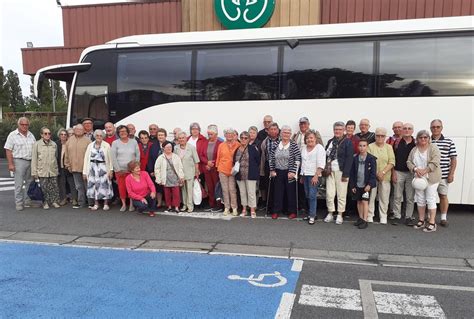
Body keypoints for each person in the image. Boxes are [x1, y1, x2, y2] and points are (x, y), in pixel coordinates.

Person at [407, 130, 442, 233]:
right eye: (420, 137)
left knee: (430, 199)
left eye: (425, 137)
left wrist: (424, 170)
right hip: (418, 178)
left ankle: (432, 222)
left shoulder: (433, 148)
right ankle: (421, 220)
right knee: (420, 199)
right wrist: (415, 169)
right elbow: (409, 161)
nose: (423, 139)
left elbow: (435, 162)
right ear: (417, 139)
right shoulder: (414, 149)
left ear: (428, 138)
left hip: (431, 178)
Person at [4, 117, 37, 211]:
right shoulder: (12, 135)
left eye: (26, 124)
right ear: (18, 125)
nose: (24, 126)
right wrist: (10, 164)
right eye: (22, 124)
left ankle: (27, 201)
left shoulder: (31, 135)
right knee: (18, 183)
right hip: (19, 161)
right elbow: (8, 150)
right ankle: (18, 203)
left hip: (30, 161)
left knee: (29, 182)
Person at [324, 121, 354, 225]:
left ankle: (340, 214)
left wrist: (346, 174)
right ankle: (330, 213)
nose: (338, 131)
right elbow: (326, 155)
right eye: (336, 129)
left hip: (341, 171)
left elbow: (350, 159)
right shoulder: (330, 141)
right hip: (330, 171)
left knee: (341, 194)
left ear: (344, 130)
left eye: (340, 129)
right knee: (329, 193)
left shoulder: (347, 142)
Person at [269, 125, 301, 219]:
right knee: (277, 192)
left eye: (288, 133)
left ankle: (292, 211)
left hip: (289, 171)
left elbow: (298, 159)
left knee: (290, 192)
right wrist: (272, 170)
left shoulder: (293, 144)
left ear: (290, 134)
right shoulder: (276, 144)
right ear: (281, 133)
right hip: (278, 171)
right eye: (284, 132)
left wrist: (293, 171)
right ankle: (276, 211)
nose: (286, 134)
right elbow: (271, 158)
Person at [430, 119, 457, 227]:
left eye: (438, 127)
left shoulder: (449, 142)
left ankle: (443, 218)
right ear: (430, 128)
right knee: (430, 196)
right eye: (433, 127)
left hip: (444, 174)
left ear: (442, 128)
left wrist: (451, 174)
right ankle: (429, 217)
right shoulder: (427, 140)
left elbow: (453, 159)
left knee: (443, 195)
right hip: (430, 174)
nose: (435, 129)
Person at [367, 127, 395, 224]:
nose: (380, 137)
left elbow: (391, 162)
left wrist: (382, 172)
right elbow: (369, 162)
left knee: (384, 197)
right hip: (372, 177)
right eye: (378, 135)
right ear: (375, 136)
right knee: (371, 197)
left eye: (382, 136)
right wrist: (376, 174)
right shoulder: (370, 146)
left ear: (385, 137)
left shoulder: (389, 147)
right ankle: (370, 215)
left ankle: (383, 216)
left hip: (385, 176)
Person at [83, 129, 114, 211]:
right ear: (95, 136)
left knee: (105, 185)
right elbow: (86, 159)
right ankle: (96, 204)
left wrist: (111, 170)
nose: (99, 137)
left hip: (103, 167)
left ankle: (106, 204)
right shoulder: (90, 145)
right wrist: (85, 172)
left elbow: (110, 159)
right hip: (92, 168)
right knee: (94, 186)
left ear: (103, 137)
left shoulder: (106, 145)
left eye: (100, 136)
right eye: (97, 135)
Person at [111, 125, 140, 212]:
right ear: (118, 133)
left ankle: (131, 204)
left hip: (132, 170)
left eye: (124, 131)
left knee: (132, 188)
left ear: (127, 132)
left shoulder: (134, 142)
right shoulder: (115, 143)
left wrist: (136, 167)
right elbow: (113, 157)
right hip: (120, 170)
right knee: (122, 187)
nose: (123, 133)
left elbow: (138, 155)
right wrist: (118, 169)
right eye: (121, 132)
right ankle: (123, 204)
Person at [392, 123, 416, 226]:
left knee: (410, 197)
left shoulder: (416, 143)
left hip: (411, 173)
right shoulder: (397, 143)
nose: (406, 130)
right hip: (398, 172)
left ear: (412, 131)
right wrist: (393, 172)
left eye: (409, 129)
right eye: (405, 128)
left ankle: (408, 217)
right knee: (397, 196)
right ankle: (397, 216)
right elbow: (392, 158)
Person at [350, 138, 377, 229]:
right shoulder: (355, 158)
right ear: (358, 147)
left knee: (365, 201)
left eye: (364, 146)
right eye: (360, 146)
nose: (362, 148)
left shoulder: (371, 158)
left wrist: (369, 184)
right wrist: (353, 185)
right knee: (359, 201)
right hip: (357, 184)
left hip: (366, 185)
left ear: (367, 147)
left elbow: (373, 173)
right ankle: (360, 218)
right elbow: (352, 173)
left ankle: (365, 220)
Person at [300, 130, 325, 224]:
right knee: (307, 195)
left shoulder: (319, 148)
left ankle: (312, 216)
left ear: (315, 139)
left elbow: (321, 163)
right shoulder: (304, 148)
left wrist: (316, 176)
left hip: (314, 175)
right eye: (307, 138)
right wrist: (302, 175)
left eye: (311, 138)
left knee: (312, 196)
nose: (309, 140)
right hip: (305, 174)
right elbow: (303, 162)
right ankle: (311, 213)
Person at [31, 127, 60, 209]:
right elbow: (34, 159)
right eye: (45, 133)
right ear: (41, 135)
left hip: (52, 170)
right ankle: (45, 202)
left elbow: (56, 157)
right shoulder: (36, 145)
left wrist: (56, 169)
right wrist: (34, 172)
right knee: (44, 188)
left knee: (54, 187)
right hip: (42, 170)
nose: (48, 135)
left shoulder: (54, 144)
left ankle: (54, 201)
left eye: (49, 133)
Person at [234, 131, 260, 218]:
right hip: (240, 175)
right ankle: (244, 209)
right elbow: (234, 161)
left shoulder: (253, 148)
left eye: (246, 138)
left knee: (251, 192)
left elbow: (258, 161)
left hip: (250, 174)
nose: (243, 140)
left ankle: (252, 210)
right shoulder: (237, 149)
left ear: (249, 139)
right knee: (242, 192)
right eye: (242, 138)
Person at [64, 124, 91, 209]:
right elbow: (66, 154)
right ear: (74, 130)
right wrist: (67, 165)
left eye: (80, 129)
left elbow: (91, 155)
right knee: (79, 186)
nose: (78, 131)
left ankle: (91, 203)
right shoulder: (69, 140)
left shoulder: (88, 141)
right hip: (74, 168)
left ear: (84, 131)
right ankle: (81, 203)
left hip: (85, 168)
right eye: (77, 129)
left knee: (88, 186)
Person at [216, 128, 240, 216]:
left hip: (233, 170)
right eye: (227, 134)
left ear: (234, 135)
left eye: (231, 134)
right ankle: (227, 207)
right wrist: (217, 167)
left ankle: (234, 208)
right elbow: (218, 157)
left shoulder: (238, 144)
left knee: (232, 189)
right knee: (225, 190)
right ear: (225, 135)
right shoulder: (221, 145)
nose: (229, 135)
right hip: (222, 170)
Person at [154, 141, 184, 213]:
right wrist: (158, 179)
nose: (169, 148)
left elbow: (180, 167)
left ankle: (176, 207)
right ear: (163, 148)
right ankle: (169, 206)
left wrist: (182, 176)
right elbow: (157, 169)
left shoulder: (176, 157)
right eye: (167, 147)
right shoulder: (160, 157)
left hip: (175, 177)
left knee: (176, 193)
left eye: (170, 147)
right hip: (165, 177)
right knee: (167, 193)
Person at [198, 125, 222, 212]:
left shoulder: (220, 143)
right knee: (209, 187)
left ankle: (219, 204)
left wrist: (212, 163)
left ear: (216, 134)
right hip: (207, 168)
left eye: (211, 134)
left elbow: (220, 156)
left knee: (217, 187)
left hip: (215, 169)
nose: (209, 136)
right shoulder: (205, 142)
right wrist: (207, 162)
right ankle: (211, 204)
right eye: (208, 134)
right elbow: (201, 155)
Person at [175, 132, 200, 213]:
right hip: (180, 173)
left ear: (186, 138)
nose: (181, 139)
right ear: (178, 139)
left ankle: (190, 206)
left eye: (183, 138)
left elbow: (196, 161)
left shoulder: (191, 147)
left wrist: (196, 172)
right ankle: (184, 205)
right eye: (180, 138)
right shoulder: (176, 148)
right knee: (183, 190)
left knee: (189, 190)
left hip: (190, 172)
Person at [259, 122, 280, 211]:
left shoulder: (282, 140)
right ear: (268, 131)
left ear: (278, 131)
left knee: (278, 187)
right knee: (269, 187)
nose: (273, 131)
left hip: (280, 166)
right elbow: (263, 156)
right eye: (271, 129)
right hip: (268, 165)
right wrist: (262, 170)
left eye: (275, 129)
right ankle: (270, 207)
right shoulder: (265, 141)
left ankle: (279, 206)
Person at [56, 129, 77, 206]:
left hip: (68, 167)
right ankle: (63, 199)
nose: (63, 136)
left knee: (72, 184)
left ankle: (74, 199)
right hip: (60, 167)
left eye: (65, 134)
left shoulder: (70, 144)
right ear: (59, 136)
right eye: (62, 134)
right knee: (61, 184)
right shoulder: (56, 144)